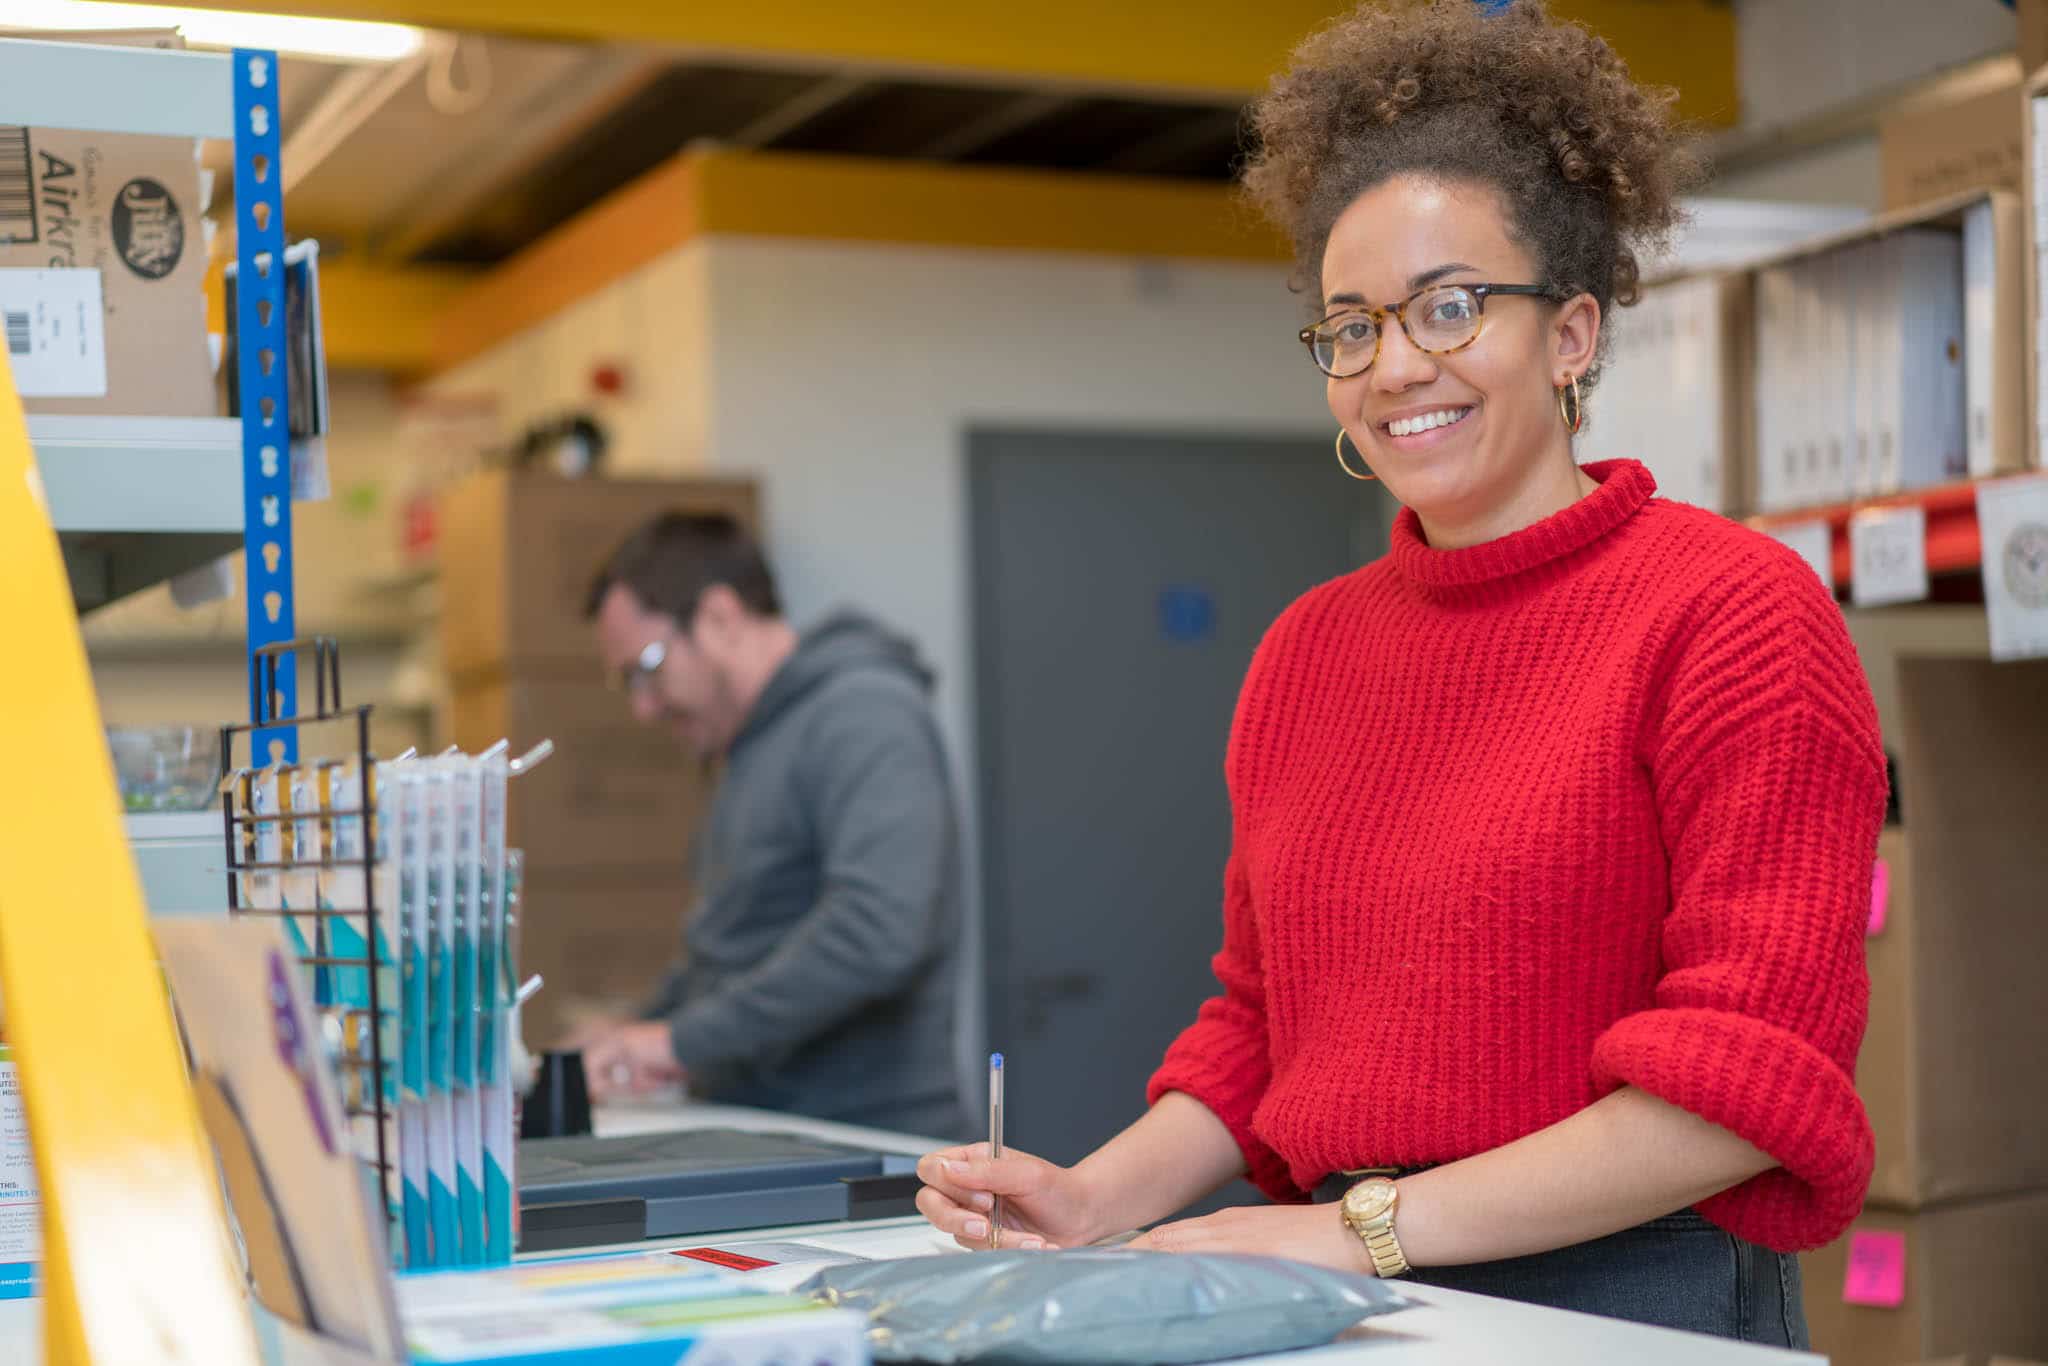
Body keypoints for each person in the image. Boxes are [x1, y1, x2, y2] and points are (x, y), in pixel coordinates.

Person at [915, 0, 1883, 1345]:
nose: (1396, 365)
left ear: (1574, 332)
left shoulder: (1731, 613)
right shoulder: (1306, 652)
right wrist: (1091, 1197)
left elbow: (1744, 1080)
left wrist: (1359, 1231)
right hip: (1348, 1288)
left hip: (1624, 1295)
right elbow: (1262, 1021)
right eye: (1351, 325)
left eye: (1450, 306)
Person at [577, 511, 966, 1139]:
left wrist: (677, 1041)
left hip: (866, 1146)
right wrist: (631, 1037)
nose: (644, 708)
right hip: (774, 1128)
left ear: (721, 618)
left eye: (646, 669)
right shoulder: (751, 744)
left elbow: (877, 932)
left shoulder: (864, 713)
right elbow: (731, 941)